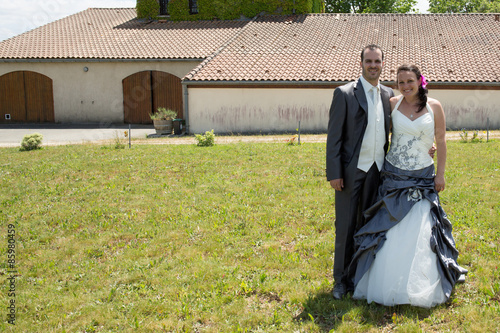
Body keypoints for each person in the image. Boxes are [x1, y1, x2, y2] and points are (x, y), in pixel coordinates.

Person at [349, 64, 467, 308]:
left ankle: (422, 282)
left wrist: (440, 174)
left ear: (419, 81)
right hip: (394, 175)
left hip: (423, 176)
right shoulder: (391, 104)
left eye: (410, 81)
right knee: (389, 227)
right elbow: (377, 135)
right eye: (401, 82)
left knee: (423, 228)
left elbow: (442, 141)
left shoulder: (435, 106)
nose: (405, 86)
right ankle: (383, 279)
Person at [326, 44, 394, 299]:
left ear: (382, 63)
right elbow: (334, 137)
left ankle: (359, 276)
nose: (373, 65)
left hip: (377, 170)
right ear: (361, 62)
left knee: (367, 224)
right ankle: (340, 280)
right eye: (369, 61)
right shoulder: (344, 94)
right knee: (345, 225)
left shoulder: (389, 94)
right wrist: (334, 172)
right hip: (350, 171)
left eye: (377, 61)